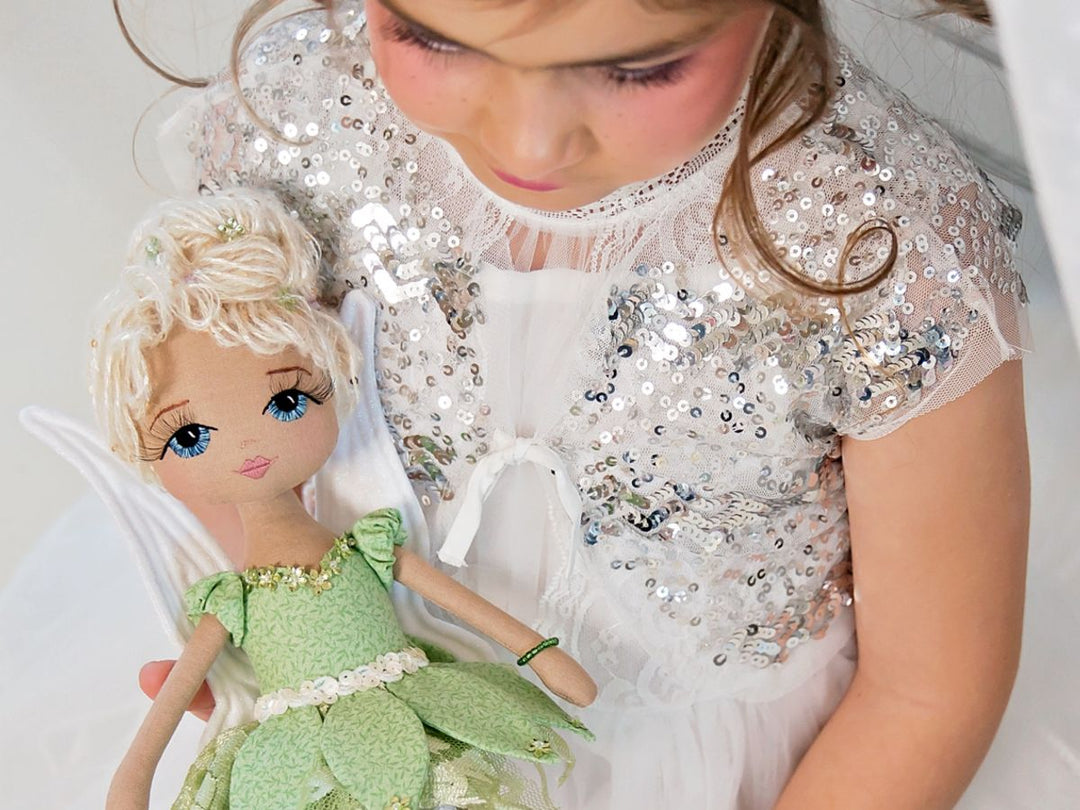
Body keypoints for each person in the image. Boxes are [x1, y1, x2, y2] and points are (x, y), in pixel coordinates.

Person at [131, 0, 1029, 807]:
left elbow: (926, 694)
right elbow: (231, 436)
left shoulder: (881, 238)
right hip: (380, 742)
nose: (532, 144)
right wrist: (276, 642)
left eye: (640, 68)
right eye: (434, 37)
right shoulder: (300, 124)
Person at [92, 189, 595, 810]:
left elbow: (459, 602)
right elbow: (172, 700)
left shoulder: (370, 548)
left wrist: (539, 654)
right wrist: (136, 771)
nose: (249, 447)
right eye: (189, 436)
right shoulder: (232, 601)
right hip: (301, 757)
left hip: (411, 710)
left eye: (287, 401)